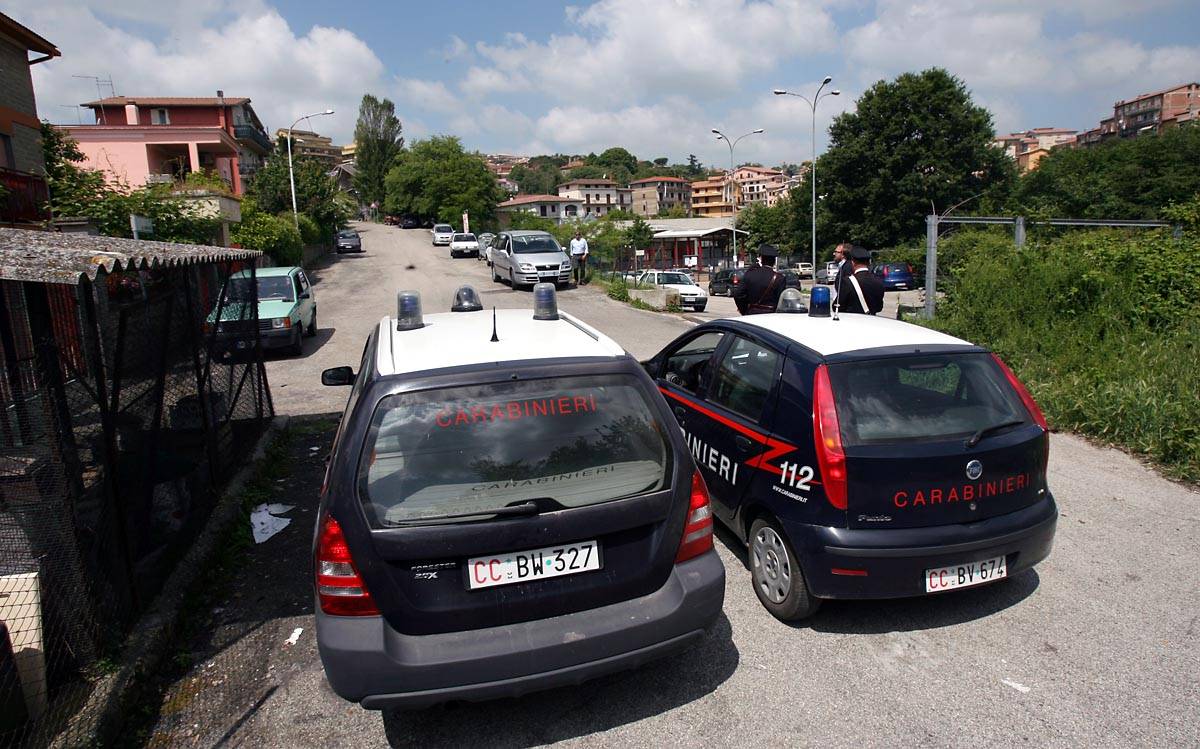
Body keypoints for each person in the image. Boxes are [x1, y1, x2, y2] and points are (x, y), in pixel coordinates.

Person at [734, 244, 785, 315]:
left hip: (751, 315)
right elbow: (782, 301)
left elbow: (738, 294)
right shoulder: (779, 278)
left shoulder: (750, 274)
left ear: (762, 259)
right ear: (774, 261)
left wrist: (744, 310)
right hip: (772, 316)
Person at [836, 245, 884, 315]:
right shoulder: (878, 281)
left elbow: (838, 306)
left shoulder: (847, 282)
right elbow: (879, 307)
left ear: (853, 263)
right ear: (869, 263)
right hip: (872, 321)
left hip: (853, 321)